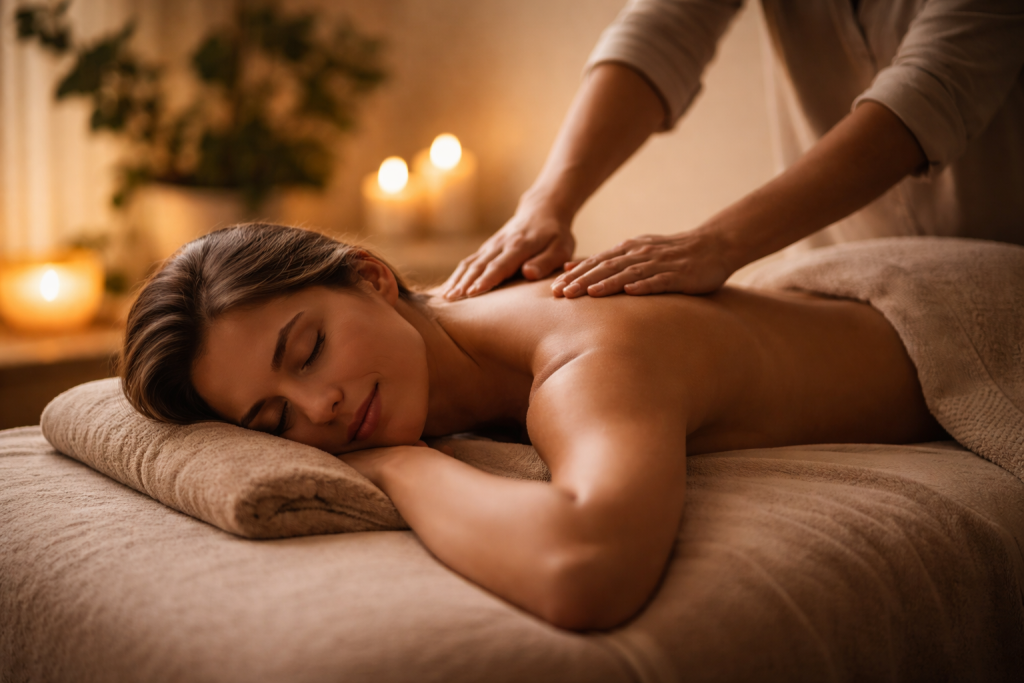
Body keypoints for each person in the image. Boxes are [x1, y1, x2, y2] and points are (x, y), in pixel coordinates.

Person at [120, 223, 944, 630]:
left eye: (307, 350)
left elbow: (585, 567)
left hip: (949, 318)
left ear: (372, 277)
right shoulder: (445, 330)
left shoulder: (584, 351)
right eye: (272, 419)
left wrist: (399, 468)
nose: (320, 410)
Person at [442, 0, 1024, 301]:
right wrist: (545, 201)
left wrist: (716, 243)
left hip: (1004, 256)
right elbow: (662, 30)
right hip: (843, 276)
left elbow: (931, 91)